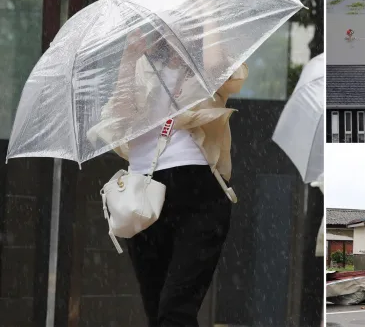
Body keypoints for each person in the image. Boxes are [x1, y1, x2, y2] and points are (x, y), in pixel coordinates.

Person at [89, 24, 248, 327]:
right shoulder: (143, 67)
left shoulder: (206, 69)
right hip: (145, 194)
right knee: (157, 309)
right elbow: (121, 120)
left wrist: (208, 8)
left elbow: (216, 65)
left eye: (186, 25)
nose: (175, 32)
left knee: (176, 311)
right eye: (168, 25)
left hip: (198, 192)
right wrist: (128, 58)